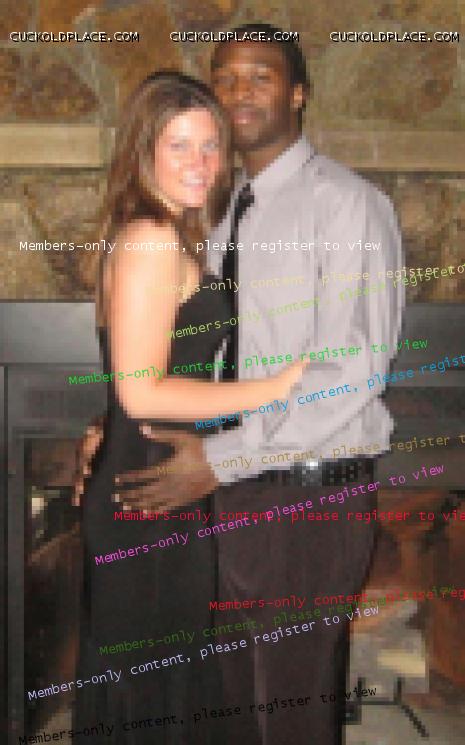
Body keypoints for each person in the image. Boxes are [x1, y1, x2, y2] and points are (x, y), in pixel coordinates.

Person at [77, 25, 404, 744]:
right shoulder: (209, 206)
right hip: (213, 497)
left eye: (261, 76)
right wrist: (116, 428)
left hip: (303, 497)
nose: (238, 92)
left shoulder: (347, 205)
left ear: (299, 94)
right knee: (219, 714)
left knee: (287, 714)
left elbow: (352, 369)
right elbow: (177, 351)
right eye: (224, 77)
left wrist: (219, 458)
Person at [73, 70, 307, 745]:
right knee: (153, 690)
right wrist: (281, 384)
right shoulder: (151, 237)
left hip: (153, 476)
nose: (201, 162)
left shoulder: (168, 231)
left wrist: (109, 428)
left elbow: (148, 376)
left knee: (156, 682)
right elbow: (142, 389)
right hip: (148, 493)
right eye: (180, 145)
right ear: (144, 150)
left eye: (211, 145)